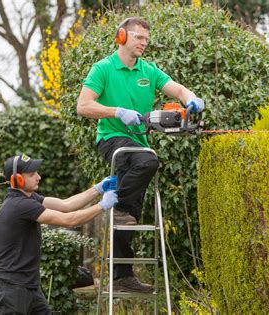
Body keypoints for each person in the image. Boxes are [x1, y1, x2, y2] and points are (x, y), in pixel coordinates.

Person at [76, 17, 205, 293]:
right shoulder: (103, 69)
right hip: (112, 140)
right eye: (138, 37)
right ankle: (121, 209)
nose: (144, 43)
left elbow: (179, 89)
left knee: (129, 207)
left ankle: (123, 276)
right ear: (121, 36)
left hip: (138, 144)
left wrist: (191, 99)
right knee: (148, 162)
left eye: (146, 39)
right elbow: (83, 106)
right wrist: (116, 111)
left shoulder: (149, 71)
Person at [0, 153, 117, 315]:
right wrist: (102, 205)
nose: (39, 177)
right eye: (32, 174)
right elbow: (69, 220)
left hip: (30, 287)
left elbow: (66, 205)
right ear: (17, 180)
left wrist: (98, 188)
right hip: (12, 290)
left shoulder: (30, 199)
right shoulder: (20, 205)